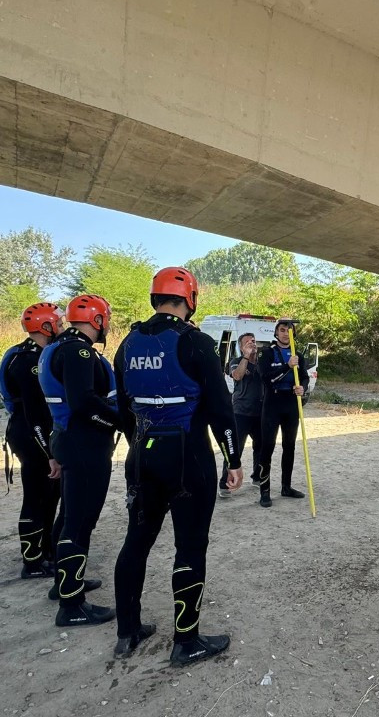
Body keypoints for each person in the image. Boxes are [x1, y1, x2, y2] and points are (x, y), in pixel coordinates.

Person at [111, 266, 244, 665]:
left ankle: (127, 632)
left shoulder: (127, 343)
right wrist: (233, 458)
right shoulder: (197, 343)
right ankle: (185, 641)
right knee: (189, 547)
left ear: (155, 299)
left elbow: (122, 410)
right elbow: (222, 408)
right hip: (189, 460)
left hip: (141, 457)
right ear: (191, 299)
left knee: (136, 543)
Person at [38, 294, 119, 626]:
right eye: (107, 318)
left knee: (69, 514)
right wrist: (120, 421)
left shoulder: (57, 347)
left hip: (68, 438)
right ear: (97, 320)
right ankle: (72, 605)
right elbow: (84, 401)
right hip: (83, 443)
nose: (109, 325)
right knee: (79, 523)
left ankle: (64, 583)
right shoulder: (78, 350)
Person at [0, 302, 65, 579]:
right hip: (30, 432)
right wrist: (49, 451)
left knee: (51, 494)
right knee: (36, 496)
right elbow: (35, 413)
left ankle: (46, 550)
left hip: (35, 430)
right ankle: (33, 561)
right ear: (46, 326)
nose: (63, 327)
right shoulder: (28, 361)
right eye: (59, 323)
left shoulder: (38, 353)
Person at [255, 319, 309, 508]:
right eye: (283, 330)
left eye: (290, 331)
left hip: (291, 404)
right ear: (276, 333)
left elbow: (304, 376)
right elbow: (267, 379)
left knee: (289, 446)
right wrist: (287, 366)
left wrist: (302, 387)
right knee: (267, 447)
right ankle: (265, 491)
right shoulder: (266, 353)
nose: (286, 334)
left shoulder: (298, 355)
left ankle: (286, 486)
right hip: (272, 404)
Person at [218, 332, 264, 496]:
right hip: (241, 412)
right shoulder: (236, 362)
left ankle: (257, 477)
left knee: (261, 447)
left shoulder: (261, 362)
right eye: (247, 342)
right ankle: (225, 483)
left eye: (253, 340)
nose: (252, 343)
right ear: (241, 346)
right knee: (234, 449)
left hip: (260, 413)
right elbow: (237, 376)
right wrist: (246, 356)